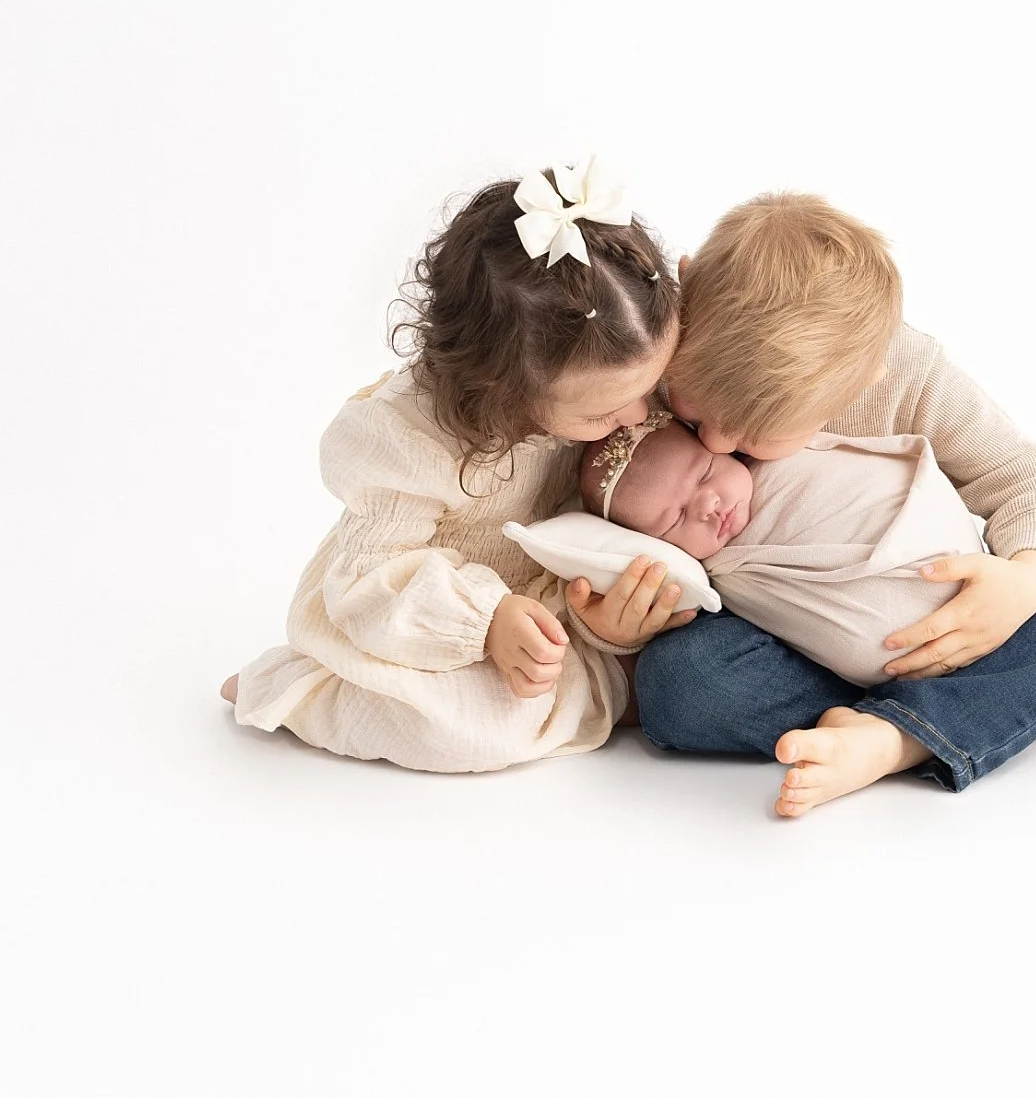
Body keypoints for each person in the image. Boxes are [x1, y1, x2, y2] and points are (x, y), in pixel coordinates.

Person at [638, 192, 1036, 816]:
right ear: (684, 296)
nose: (715, 442)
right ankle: (992, 711)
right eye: (697, 408)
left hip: (937, 611)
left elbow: (1030, 479)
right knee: (680, 683)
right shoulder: (642, 364)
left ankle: (896, 737)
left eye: (754, 433)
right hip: (797, 638)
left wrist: (1024, 580)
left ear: (861, 382)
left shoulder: (903, 370)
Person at [219, 158, 695, 772]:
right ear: (503, 392)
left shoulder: (605, 385)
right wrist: (486, 620)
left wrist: (604, 624)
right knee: (471, 730)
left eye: (648, 387)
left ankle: (594, 676)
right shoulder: (408, 441)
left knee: (562, 672)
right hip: (420, 613)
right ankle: (300, 691)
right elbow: (367, 578)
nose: (636, 418)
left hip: (543, 605)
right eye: (602, 415)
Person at [581, 412, 987, 687]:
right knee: (683, 681)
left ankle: (910, 729)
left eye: (705, 473)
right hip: (885, 668)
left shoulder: (781, 451)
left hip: (978, 579)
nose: (708, 506)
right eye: (675, 519)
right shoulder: (700, 577)